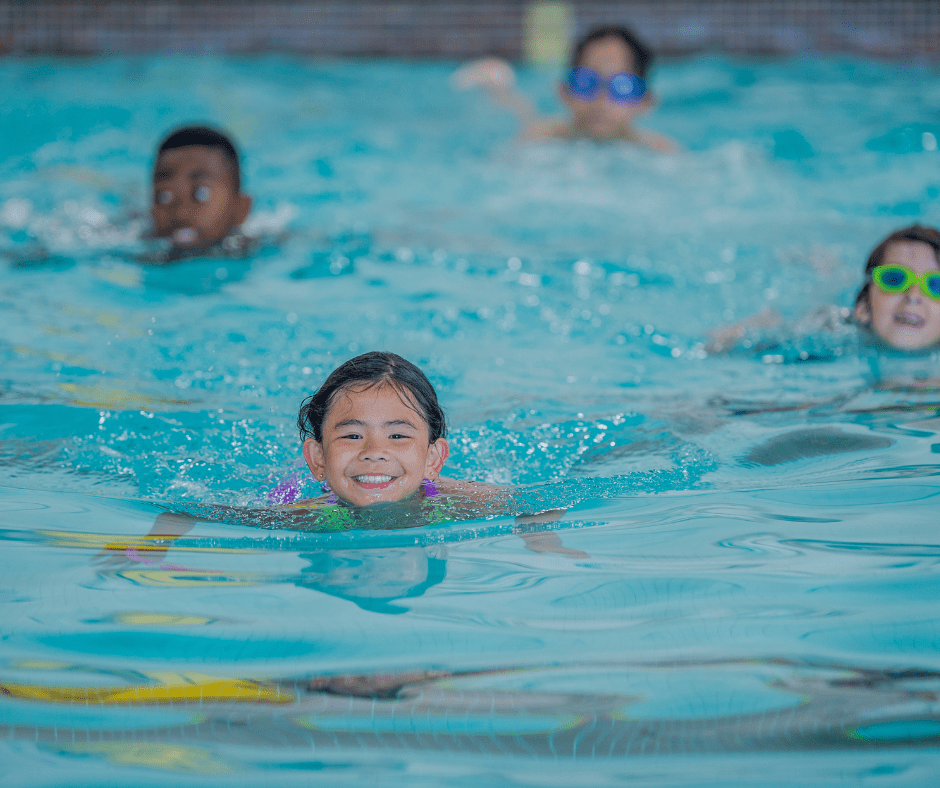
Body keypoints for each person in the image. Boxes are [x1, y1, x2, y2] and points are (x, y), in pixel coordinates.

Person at [707, 225, 940, 355]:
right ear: (862, 307)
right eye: (894, 278)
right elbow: (717, 346)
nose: (913, 295)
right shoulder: (829, 335)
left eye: (935, 285)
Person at [452, 25, 676, 150]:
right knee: (525, 116)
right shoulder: (538, 139)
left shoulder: (661, 151)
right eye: (586, 83)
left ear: (646, 103)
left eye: (622, 87)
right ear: (564, 92)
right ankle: (495, 84)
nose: (601, 99)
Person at [150, 125, 253, 256]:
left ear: (242, 208)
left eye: (201, 195)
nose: (181, 212)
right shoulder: (131, 241)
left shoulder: (259, 250)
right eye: (164, 196)